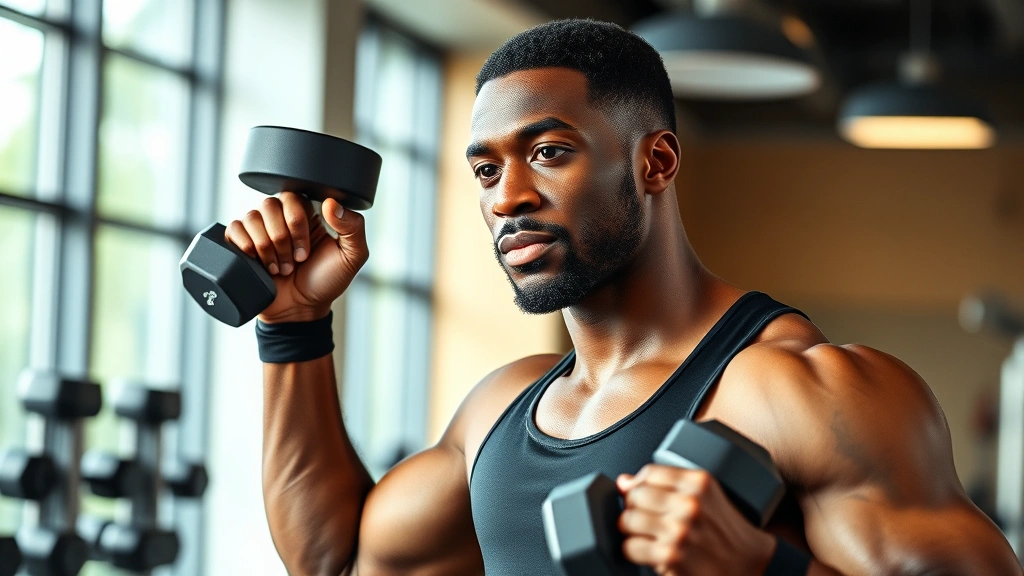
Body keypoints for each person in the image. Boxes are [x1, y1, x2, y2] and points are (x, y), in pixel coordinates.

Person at [225, 19, 1021, 576]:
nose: (507, 198)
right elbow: (337, 564)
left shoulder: (801, 391)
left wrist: (766, 568)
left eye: (547, 151)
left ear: (658, 162)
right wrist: (295, 327)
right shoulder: (501, 413)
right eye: (487, 170)